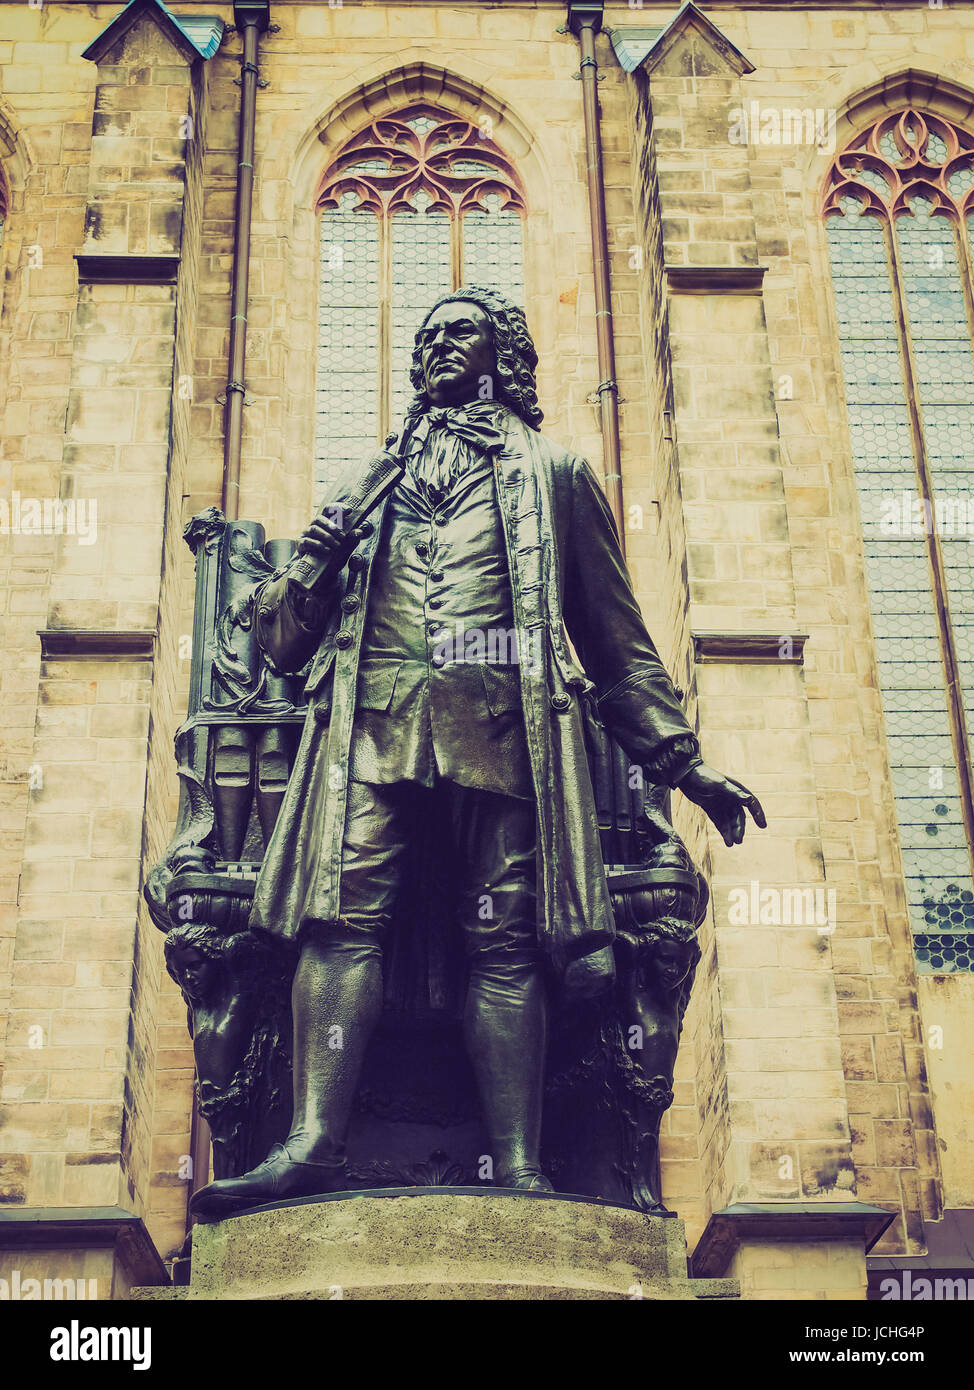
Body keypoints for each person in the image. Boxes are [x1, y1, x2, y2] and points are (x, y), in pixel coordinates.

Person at [190, 286, 764, 1219]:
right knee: (340, 921)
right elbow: (285, 653)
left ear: (504, 352)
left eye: (455, 332)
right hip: (370, 732)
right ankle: (311, 1148)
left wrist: (684, 764)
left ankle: (522, 1170)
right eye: (421, 339)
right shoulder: (366, 487)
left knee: (508, 942)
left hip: (507, 735)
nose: (433, 349)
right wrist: (318, 558)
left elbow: (615, 644)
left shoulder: (558, 475)